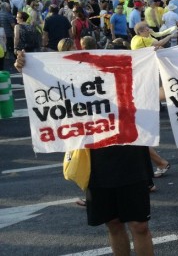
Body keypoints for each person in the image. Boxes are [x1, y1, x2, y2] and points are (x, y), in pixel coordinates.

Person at [13, 50, 156, 256]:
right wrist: (26, 67)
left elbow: (155, 87)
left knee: (139, 226)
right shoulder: (76, 89)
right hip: (95, 163)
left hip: (131, 160)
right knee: (113, 224)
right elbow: (51, 86)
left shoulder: (129, 80)